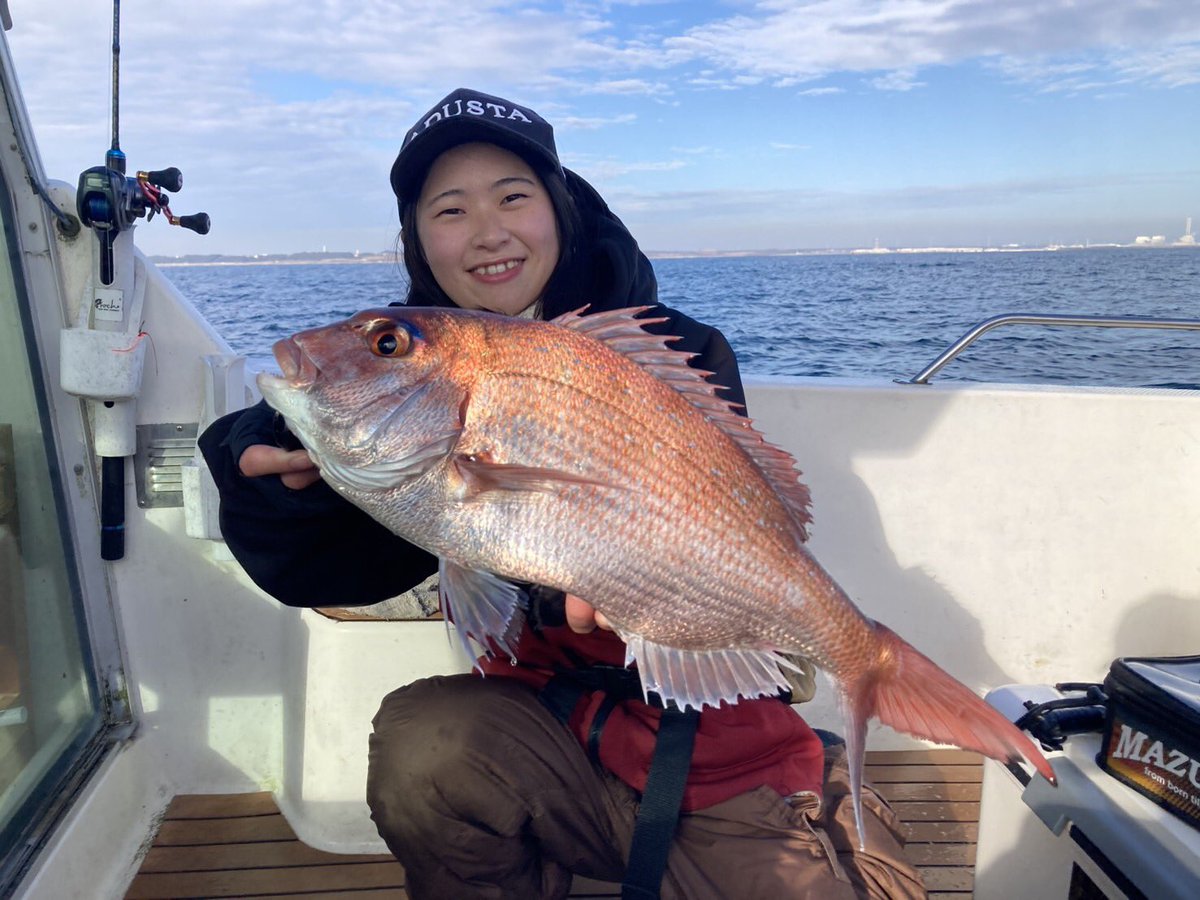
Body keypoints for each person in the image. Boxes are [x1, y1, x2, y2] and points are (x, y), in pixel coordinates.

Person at [199, 88, 924, 900]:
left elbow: (716, 524)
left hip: (713, 757)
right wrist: (261, 468)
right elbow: (323, 553)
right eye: (450, 209)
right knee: (422, 747)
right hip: (546, 740)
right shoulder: (405, 376)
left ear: (561, 209)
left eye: (514, 196)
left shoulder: (677, 349)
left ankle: (826, 793)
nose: (488, 231)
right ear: (420, 242)